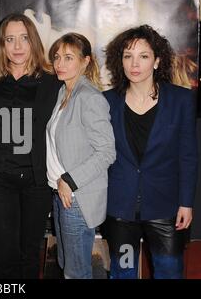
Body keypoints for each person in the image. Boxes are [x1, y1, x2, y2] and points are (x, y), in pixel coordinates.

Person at [103, 25, 198, 279]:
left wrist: (186, 202)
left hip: (165, 208)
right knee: (123, 272)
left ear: (156, 61)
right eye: (127, 56)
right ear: (120, 61)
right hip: (120, 208)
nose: (134, 64)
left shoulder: (181, 100)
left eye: (143, 56)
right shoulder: (106, 102)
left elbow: (188, 155)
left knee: (169, 272)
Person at [0, 13, 61, 278]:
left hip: (36, 179)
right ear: (2, 44)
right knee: (2, 251)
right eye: (10, 39)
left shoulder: (51, 79)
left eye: (23, 38)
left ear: (33, 41)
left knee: (29, 251)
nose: (18, 46)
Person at [46, 33, 116, 279]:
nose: (59, 64)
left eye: (68, 58)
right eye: (57, 57)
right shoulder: (63, 93)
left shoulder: (89, 97)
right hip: (61, 194)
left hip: (77, 196)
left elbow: (107, 152)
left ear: (85, 61)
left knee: (76, 273)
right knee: (68, 264)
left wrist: (69, 180)